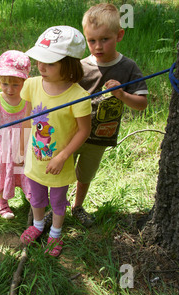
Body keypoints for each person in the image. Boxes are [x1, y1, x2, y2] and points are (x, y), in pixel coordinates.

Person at [72, 3, 149, 227]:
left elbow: (142, 104)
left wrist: (122, 94)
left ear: (119, 35)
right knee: (63, 171)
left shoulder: (128, 67)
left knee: (85, 175)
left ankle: (77, 206)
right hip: (74, 132)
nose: (98, 46)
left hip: (101, 135)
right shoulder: (80, 67)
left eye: (105, 39)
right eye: (92, 40)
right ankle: (55, 207)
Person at [19, 26, 92, 257]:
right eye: (40, 60)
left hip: (59, 162)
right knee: (36, 196)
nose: (41, 66)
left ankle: (56, 233)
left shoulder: (78, 96)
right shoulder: (31, 85)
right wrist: (22, 146)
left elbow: (84, 130)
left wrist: (62, 156)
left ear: (69, 63)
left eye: (50, 63)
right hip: (36, 159)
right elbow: (27, 118)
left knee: (58, 201)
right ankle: (39, 225)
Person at [0, 50, 32, 219]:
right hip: (2, 150)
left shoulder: (28, 102)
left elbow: (29, 125)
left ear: (25, 81)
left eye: (16, 85)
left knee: (26, 173)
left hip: (23, 145)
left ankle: (33, 200)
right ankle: (2, 203)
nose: (10, 89)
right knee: (5, 175)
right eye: (5, 84)